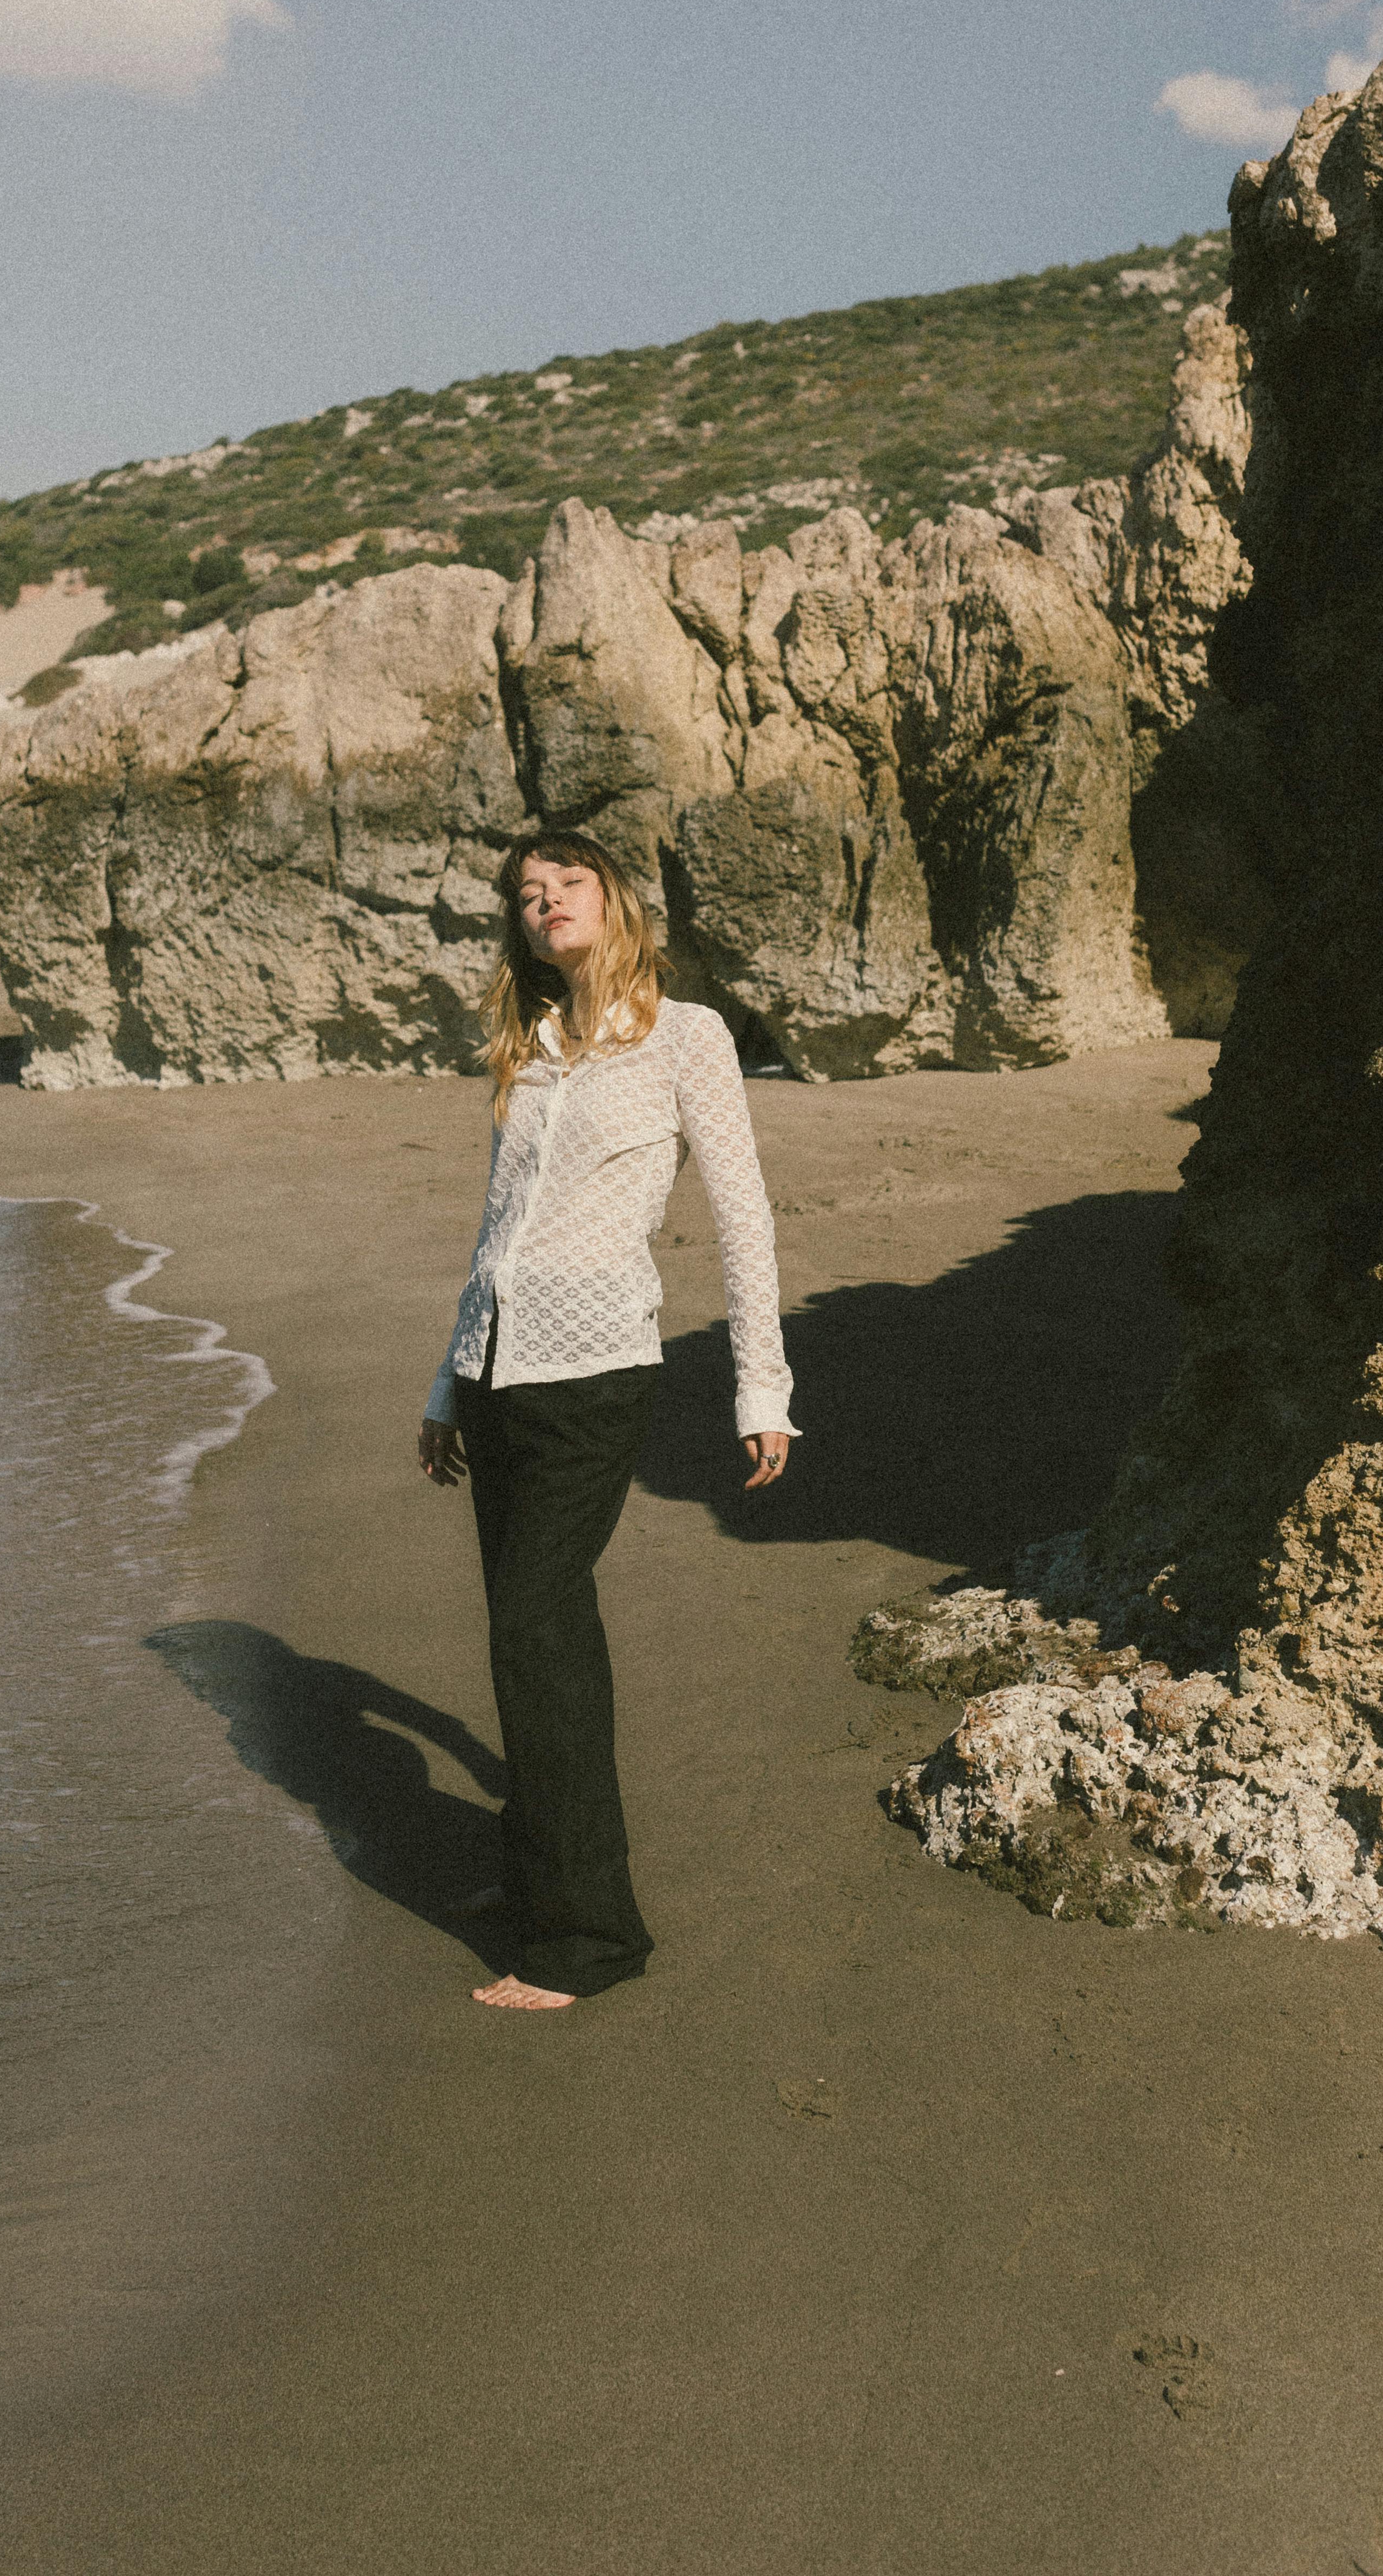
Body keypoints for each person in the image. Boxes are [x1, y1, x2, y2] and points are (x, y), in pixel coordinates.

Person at [418, 826, 797, 2011]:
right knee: (517, 1631)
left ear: (616, 901)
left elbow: (743, 1215)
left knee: (539, 1631)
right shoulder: (528, 1050)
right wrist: (444, 1385)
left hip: (593, 1373)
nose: (544, 904)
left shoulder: (687, 1039)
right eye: (526, 894)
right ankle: (541, 1876)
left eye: (566, 883)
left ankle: (588, 1938)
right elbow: (496, 1235)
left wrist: (761, 1388)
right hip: (496, 1371)